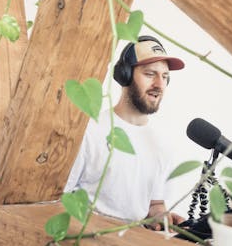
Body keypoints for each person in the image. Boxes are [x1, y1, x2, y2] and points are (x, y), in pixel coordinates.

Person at [65, 35, 185, 230]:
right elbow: (58, 199)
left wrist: (159, 215)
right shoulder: (89, 131)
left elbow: (154, 204)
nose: (159, 84)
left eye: (164, 76)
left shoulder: (162, 145)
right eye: (150, 74)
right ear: (125, 75)